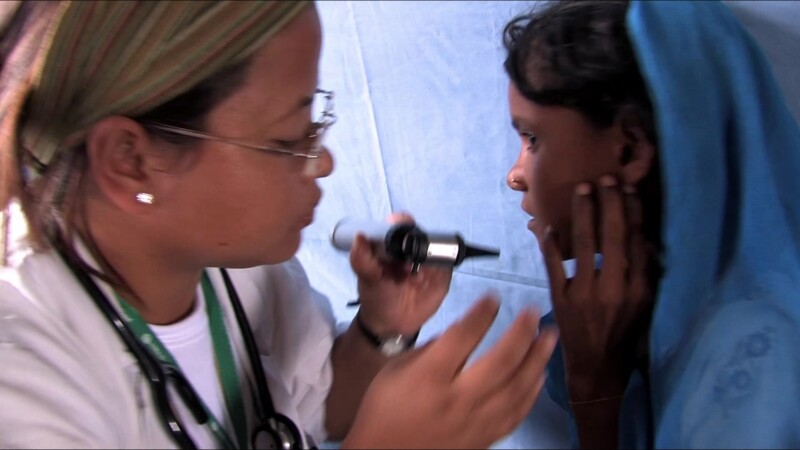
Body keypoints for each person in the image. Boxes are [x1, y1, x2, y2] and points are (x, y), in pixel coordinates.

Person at [0, 2, 560, 449]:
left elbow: (316, 407)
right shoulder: (23, 379)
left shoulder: (238, 269)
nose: (323, 161)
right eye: (289, 138)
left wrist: (383, 328)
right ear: (131, 161)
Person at [503, 0, 800, 448]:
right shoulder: (610, 309)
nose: (514, 175)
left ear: (629, 150)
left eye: (533, 139)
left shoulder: (755, 353)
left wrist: (595, 392)